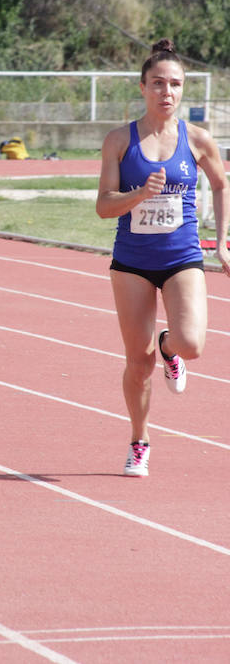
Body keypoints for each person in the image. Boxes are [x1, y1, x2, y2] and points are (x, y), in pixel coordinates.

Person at [96, 38, 230, 477]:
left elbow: (221, 185)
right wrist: (139, 194)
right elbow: (103, 206)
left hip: (182, 257)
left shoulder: (197, 140)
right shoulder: (119, 141)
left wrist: (222, 241)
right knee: (139, 361)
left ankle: (170, 347)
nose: (166, 92)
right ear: (142, 88)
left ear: (182, 90)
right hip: (132, 261)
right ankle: (140, 440)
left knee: (191, 344)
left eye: (174, 84)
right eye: (157, 84)